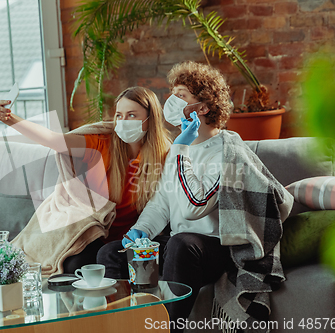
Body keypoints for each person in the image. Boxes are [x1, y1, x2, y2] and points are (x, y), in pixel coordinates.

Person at [97, 61, 293, 332]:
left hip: (215, 248)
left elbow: (194, 206)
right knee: (111, 252)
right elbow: (162, 202)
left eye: (181, 96)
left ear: (203, 107)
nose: (171, 102)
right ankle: (126, 326)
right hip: (182, 246)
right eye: (173, 94)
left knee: (180, 244)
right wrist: (140, 231)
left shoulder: (227, 154)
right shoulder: (180, 150)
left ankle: (164, 328)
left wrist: (180, 149)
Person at [0, 86, 172, 273]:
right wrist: (10, 119)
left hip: (129, 240)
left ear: (151, 119)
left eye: (132, 115)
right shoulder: (101, 143)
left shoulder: (164, 155)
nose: (123, 121)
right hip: (90, 235)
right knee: (73, 264)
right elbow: (54, 140)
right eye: (119, 115)